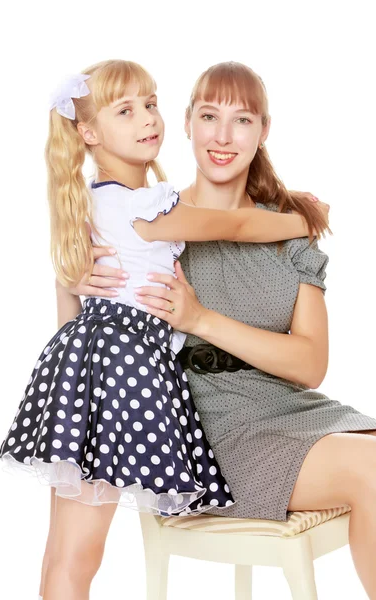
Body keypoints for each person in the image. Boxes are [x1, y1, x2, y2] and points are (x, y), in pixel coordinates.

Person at [0, 59, 324, 600]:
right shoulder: (142, 208)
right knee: (76, 553)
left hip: (98, 363)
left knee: (67, 551)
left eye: (150, 104)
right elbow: (236, 224)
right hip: (121, 369)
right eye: (126, 110)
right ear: (89, 132)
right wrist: (302, 219)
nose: (148, 118)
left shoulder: (105, 203)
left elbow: (71, 323)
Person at [69, 61, 376, 598]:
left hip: (298, 415)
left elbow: (308, 366)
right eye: (209, 116)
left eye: (242, 120)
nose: (224, 136)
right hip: (210, 435)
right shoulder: (154, 225)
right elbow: (88, 339)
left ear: (263, 131)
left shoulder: (287, 233)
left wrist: (201, 319)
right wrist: (67, 279)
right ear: (186, 123)